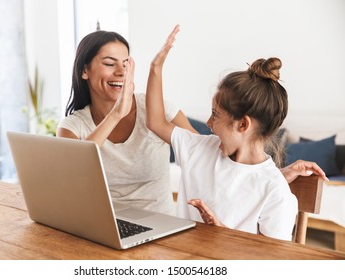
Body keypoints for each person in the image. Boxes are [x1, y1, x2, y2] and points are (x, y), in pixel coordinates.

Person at [57, 28, 327, 218]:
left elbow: (214, 163)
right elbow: (70, 177)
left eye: (126, 63)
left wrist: (270, 178)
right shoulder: (73, 126)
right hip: (104, 228)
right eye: (109, 63)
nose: (121, 72)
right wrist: (118, 112)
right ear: (84, 70)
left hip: (161, 228)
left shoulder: (166, 118)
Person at [146, 25, 304, 241]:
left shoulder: (274, 191)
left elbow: (272, 262)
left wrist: (223, 234)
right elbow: (155, 122)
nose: (209, 123)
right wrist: (155, 68)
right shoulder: (200, 149)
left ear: (242, 125)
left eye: (215, 115)